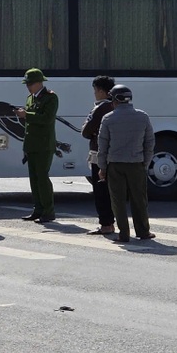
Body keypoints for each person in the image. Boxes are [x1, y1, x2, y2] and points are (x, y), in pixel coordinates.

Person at [97, 85, 156, 243]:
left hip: (115, 165)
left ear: (115, 100)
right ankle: (143, 231)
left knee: (118, 200)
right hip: (136, 164)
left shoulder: (108, 118)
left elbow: (102, 146)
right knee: (139, 199)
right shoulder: (142, 117)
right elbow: (150, 142)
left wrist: (102, 167)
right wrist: (145, 162)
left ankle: (124, 234)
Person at [15, 68, 59, 223]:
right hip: (32, 145)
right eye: (27, 83)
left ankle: (48, 211)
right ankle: (38, 209)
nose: (28, 86)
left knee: (42, 178)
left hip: (44, 145)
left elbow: (47, 119)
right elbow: (29, 126)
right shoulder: (30, 98)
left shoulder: (50, 98)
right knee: (34, 179)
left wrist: (27, 115)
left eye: (31, 83)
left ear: (40, 82)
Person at [81, 75, 116, 235]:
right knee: (111, 190)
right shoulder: (116, 106)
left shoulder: (101, 108)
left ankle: (106, 224)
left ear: (102, 91)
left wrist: (88, 128)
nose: (94, 94)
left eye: (95, 90)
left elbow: (86, 131)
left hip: (99, 153)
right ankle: (111, 222)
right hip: (114, 154)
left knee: (100, 190)